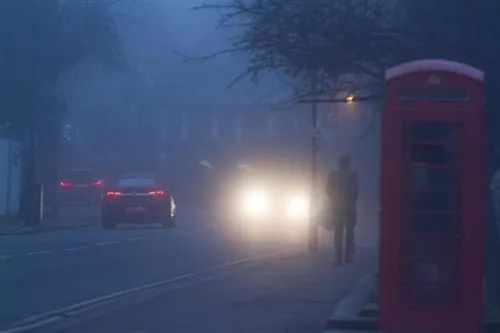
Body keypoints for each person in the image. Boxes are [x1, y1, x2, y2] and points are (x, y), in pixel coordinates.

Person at [326, 154, 359, 266]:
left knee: (338, 233)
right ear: (348, 163)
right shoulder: (352, 174)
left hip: (337, 207)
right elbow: (355, 192)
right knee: (349, 231)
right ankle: (348, 256)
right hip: (349, 208)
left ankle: (338, 258)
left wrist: (334, 199)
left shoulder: (333, 175)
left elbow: (328, 190)